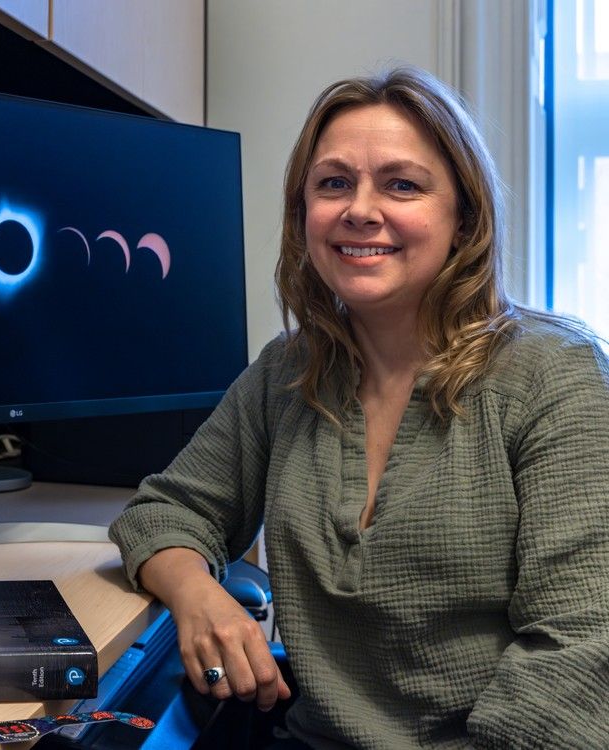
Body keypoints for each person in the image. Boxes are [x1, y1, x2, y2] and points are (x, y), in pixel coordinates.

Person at [109, 66, 609, 748]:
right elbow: (163, 513)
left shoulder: (555, 375)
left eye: (402, 184)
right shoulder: (288, 371)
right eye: (333, 183)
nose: (360, 210)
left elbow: (580, 653)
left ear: (463, 217)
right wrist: (200, 597)